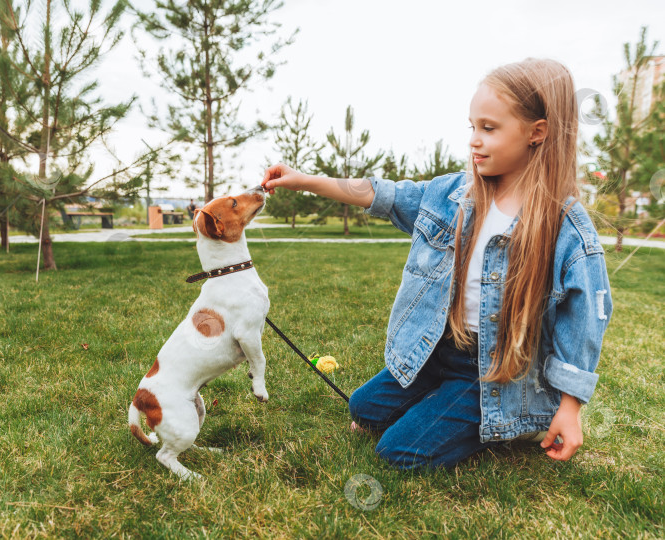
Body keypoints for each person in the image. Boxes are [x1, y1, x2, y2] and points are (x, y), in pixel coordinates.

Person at [260, 58, 613, 470]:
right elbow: (382, 193)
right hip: (437, 350)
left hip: (494, 377)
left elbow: (585, 318)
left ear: (537, 133)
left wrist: (569, 407)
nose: (474, 141)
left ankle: (510, 420)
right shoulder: (452, 194)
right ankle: (443, 399)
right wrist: (304, 180)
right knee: (362, 409)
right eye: (473, 127)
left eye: (489, 128)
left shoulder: (564, 225)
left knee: (398, 452)